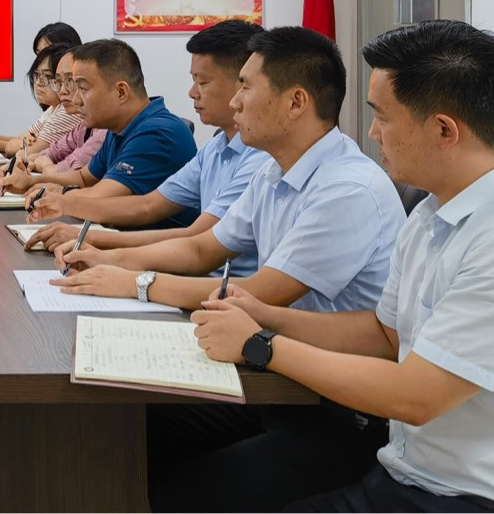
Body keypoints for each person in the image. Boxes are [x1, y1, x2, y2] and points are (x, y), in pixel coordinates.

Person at [52, 26, 404, 512]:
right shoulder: (274, 169)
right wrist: (108, 258)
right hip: (273, 377)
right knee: (120, 431)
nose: (235, 102)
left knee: (171, 490)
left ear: (295, 102)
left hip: (331, 407)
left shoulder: (346, 188)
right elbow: (202, 249)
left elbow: (259, 295)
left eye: (245, 87)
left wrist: (136, 282)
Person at [194, 20, 494, 513]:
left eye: (383, 117)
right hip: (403, 471)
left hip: (469, 498)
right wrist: (266, 315)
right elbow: (384, 334)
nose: (372, 133)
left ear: (444, 130)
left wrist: (259, 344)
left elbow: (417, 396)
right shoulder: (432, 211)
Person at [21, 20, 271, 276]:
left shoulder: (163, 133)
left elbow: (196, 241)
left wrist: (100, 247)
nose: (191, 92)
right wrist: (60, 202)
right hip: (190, 275)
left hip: (202, 280)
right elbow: (147, 204)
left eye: (203, 82)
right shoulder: (216, 147)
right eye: (193, 80)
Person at [7, 39, 199, 225]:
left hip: (154, 244)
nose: (76, 100)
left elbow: (99, 197)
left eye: (83, 88)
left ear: (121, 92)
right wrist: (30, 181)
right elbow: (83, 178)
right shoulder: (118, 128)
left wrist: (56, 193)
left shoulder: (156, 133)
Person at [0, 22, 81, 148]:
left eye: (47, 50)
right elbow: (24, 140)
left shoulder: (70, 110)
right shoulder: (54, 108)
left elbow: (30, 148)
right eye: (38, 53)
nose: (41, 59)